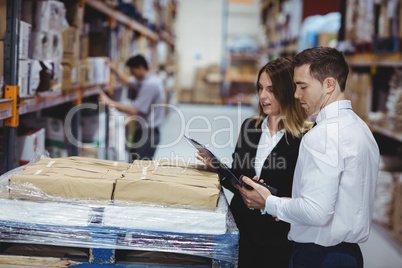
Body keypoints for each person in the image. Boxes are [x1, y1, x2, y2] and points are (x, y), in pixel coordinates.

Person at [240, 47, 380, 268]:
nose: (296, 94)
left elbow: (316, 212)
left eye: (302, 87)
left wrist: (269, 202)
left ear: (329, 85)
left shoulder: (321, 135)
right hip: (349, 255)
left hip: (319, 256)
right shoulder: (360, 128)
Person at [196, 58, 312, 267]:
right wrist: (217, 169)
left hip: (277, 240)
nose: (263, 96)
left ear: (288, 91)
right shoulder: (251, 126)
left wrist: (268, 198)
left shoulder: (305, 137)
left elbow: (306, 197)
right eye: (260, 88)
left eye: (271, 89)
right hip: (241, 229)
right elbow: (238, 176)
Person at [99, 54, 166, 161]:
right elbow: (127, 81)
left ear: (140, 67)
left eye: (132, 70)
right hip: (143, 132)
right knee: (133, 164)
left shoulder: (150, 84)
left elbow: (134, 110)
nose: (131, 74)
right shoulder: (146, 79)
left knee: (138, 168)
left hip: (148, 134)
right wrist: (113, 69)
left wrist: (108, 102)